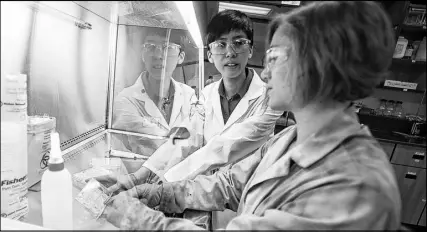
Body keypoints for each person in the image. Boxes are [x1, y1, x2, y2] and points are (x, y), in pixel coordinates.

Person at [101, 1, 401, 230]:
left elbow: (221, 149)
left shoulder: (353, 185)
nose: (266, 71)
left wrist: (138, 218)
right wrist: (160, 193)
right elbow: (228, 183)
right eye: (220, 45)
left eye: (274, 57)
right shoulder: (289, 140)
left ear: (319, 62)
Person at [98, 10, 284, 228]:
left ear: (251, 49)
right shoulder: (206, 94)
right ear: (210, 53)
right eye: (221, 44)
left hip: (244, 203)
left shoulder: (269, 98)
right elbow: (184, 139)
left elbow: (222, 147)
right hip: (202, 197)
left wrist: (162, 186)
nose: (230, 52)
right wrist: (138, 176)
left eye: (239, 43)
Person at [112, 27, 195, 155]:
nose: (158, 55)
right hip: (142, 173)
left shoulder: (188, 95)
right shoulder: (125, 100)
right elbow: (183, 144)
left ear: (181, 57)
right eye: (150, 47)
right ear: (142, 55)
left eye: (167, 47)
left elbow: (197, 137)